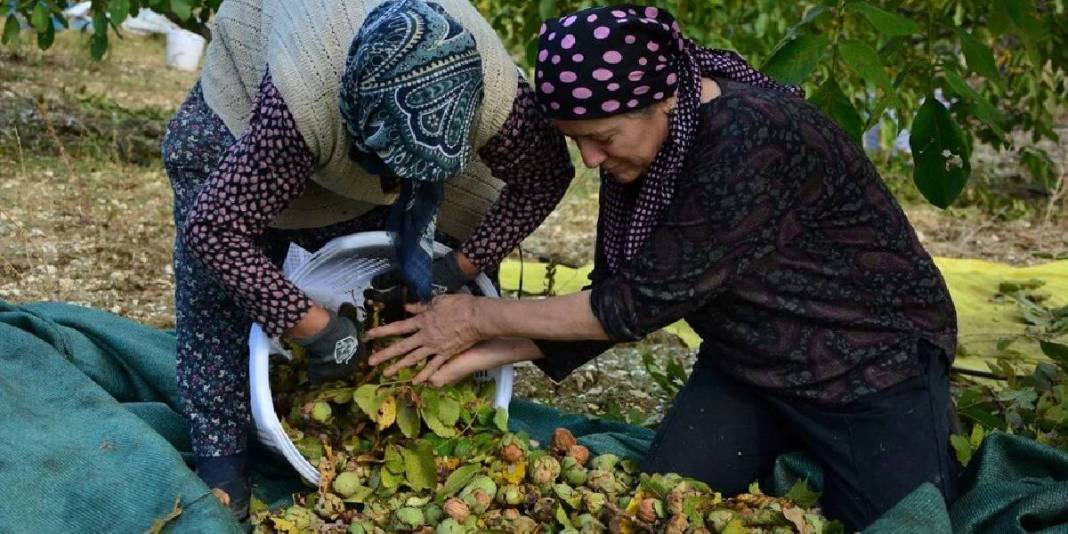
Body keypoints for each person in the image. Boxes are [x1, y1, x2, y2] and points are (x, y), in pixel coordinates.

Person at [366, 5, 959, 531]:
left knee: (905, 521)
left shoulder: (749, 139)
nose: (590, 160)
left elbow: (631, 305)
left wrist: (476, 319)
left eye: (601, 138)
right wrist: (472, 354)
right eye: (576, 141)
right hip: (749, 362)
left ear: (665, 99)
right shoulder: (647, 151)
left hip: (866, 363)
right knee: (670, 498)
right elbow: (615, 294)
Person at [161, 0, 578, 518]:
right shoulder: (300, 104)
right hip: (255, 110)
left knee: (421, 262)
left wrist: (458, 267)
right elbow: (216, 230)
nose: (393, 186)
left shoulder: (498, 99)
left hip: (401, 133)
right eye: (391, 171)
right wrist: (314, 328)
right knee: (222, 290)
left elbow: (545, 176)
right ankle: (221, 454)